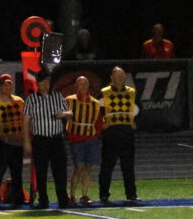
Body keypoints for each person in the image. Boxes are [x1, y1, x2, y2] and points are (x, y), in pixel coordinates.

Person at [23, 70, 72, 209]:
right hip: (40, 140)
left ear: (50, 82)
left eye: (46, 81)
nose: (44, 84)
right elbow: (25, 122)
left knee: (60, 171)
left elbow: (70, 113)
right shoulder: (31, 99)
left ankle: (63, 200)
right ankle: (43, 201)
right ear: (37, 83)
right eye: (41, 82)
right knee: (41, 172)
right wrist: (26, 142)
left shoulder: (58, 96)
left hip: (56, 139)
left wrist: (64, 113)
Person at [98, 66, 140, 205]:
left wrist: (135, 123)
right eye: (117, 75)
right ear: (111, 77)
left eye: (122, 75)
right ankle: (104, 195)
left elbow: (139, 109)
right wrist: (102, 124)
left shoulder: (131, 92)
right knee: (107, 166)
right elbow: (96, 112)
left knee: (128, 166)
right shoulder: (104, 92)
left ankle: (131, 194)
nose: (120, 77)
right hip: (111, 133)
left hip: (127, 133)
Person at [64, 75, 105, 206]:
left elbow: (99, 122)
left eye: (85, 84)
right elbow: (63, 117)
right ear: (76, 86)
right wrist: (71, 134)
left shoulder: (95, 103)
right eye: (80, 84)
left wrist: (95, 135)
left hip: (91, 139)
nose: (82, 86)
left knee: (88, 168)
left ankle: (84, 194)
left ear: (88, 86)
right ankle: (71, 195)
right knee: (79, 167)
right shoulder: (69, 100)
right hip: (76, 139)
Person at [0, 74, 27, 209]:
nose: (7, 87)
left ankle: (18, 200)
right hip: (3, 142)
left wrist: (26, 140)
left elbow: (25, 121)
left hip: (18, 143)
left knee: (17, 173)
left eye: (9, 84)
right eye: (4, 85)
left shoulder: (19, 101)